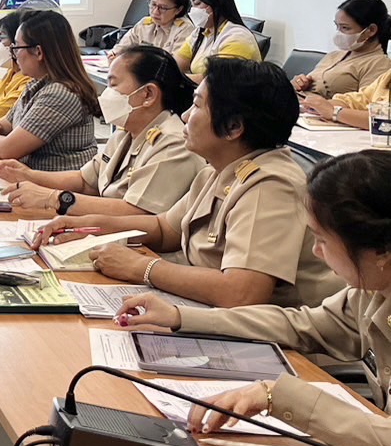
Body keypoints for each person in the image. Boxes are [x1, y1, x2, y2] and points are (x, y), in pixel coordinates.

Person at [116, 151, 391, 446]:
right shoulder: (371, 290)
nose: (316, 252)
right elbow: (303, 324)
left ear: (381, 250)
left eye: (322, 240)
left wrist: (279, 397)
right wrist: (180, 317)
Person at [32, 58, 338, 308]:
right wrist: (87, 226)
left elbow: (242, 292)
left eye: (198, 106)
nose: (186, 116)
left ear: (233, 127)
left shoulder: (271, 185)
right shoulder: (217, 170)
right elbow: (166, 229)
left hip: (288, 348)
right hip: (215, 315)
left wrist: (141, 268)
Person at [0, 44, 203, 216]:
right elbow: (86, 181)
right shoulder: (126, 131)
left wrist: (54, 198)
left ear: (148, 94)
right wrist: (28, 175)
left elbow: (136, 212)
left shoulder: (173, 143)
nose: (106, 94)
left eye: (113, 85)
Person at [0, 9, 100, 171]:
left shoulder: (60, 93)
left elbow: (7, 149)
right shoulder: (37, 83)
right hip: (32, 177)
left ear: (38, 52)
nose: (14, 54)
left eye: (17, 48)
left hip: (52, 182)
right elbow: (2, 125)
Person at [292, 0, 391, 99]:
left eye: (345, 28)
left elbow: (366, 104)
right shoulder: (334, 55)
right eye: (337, 26)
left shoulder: (379, 64)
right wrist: (298, 83)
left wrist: (323, 104)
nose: (339, 33)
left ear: (371, 30)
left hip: (314, 108)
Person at [175, 0, 261, 81]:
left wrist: (174, 79)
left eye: (197, 3)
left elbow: (215, 80)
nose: (193, 10)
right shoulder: (200, 33)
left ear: (216, 4)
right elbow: (177, 65)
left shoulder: (237, 37)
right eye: (192, 5)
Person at [110, 0, 192, 58]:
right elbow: (121, 49)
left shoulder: (185, 29)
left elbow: (176, 63)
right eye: (153, 4)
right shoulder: (144, 24)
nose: (155, 11)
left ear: (178, 10)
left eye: (163, 8)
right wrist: (114, 55)